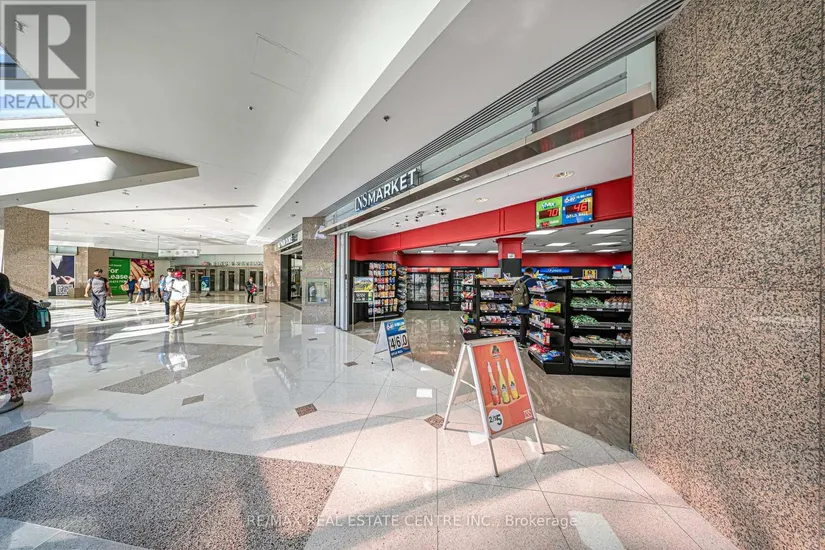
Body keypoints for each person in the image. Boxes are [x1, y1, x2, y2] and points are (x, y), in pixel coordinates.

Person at [0, 274, 33, 413]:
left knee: (11, 368)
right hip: (6, 342)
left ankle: (16, 397)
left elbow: (14, 316)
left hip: (13, 341)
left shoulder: (17, 299)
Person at [513, 267, 539, 348]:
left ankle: (522, 343)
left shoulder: (518, 281)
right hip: (530, 307)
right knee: (533, 326)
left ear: (524, 273)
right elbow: (537, 293)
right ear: (532, 273)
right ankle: (532, 344)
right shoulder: (532, 281)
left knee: (523, 325)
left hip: (521, 307)